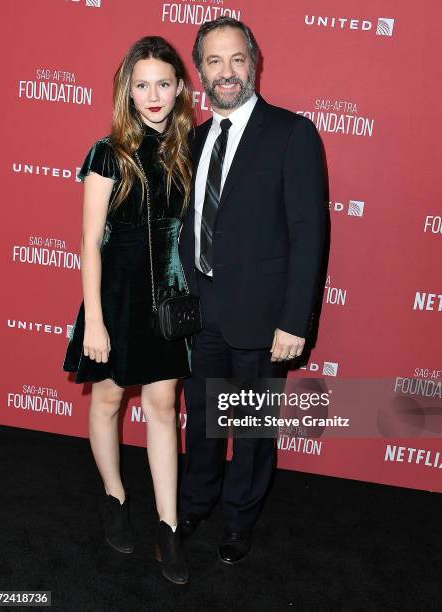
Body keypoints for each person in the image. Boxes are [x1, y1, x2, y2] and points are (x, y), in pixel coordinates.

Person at [178, 17, 327, 564]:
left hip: (264, 317)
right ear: (199, 72)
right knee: (202, 415)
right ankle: (197, 501)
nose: (226, 72)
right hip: (201, 310)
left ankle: (239, 521)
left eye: (236, 59)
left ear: (254, 63)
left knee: (251, 426)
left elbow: (308, 234)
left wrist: (294, 321)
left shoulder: (291, 133)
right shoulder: (190, 141)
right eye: (213, 61)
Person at [62, 36, 193, 585]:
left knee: (163, 406)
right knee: (110, 397)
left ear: (181, 87)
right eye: (142, 85)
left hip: (166, 295)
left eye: (163, 83)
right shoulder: (106, 152)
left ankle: (168, 526)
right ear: (127, 91)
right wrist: (94, 319)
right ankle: (114, 497)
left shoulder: (189, 147)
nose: (153, 95)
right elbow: (90, 241)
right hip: (114, 296)